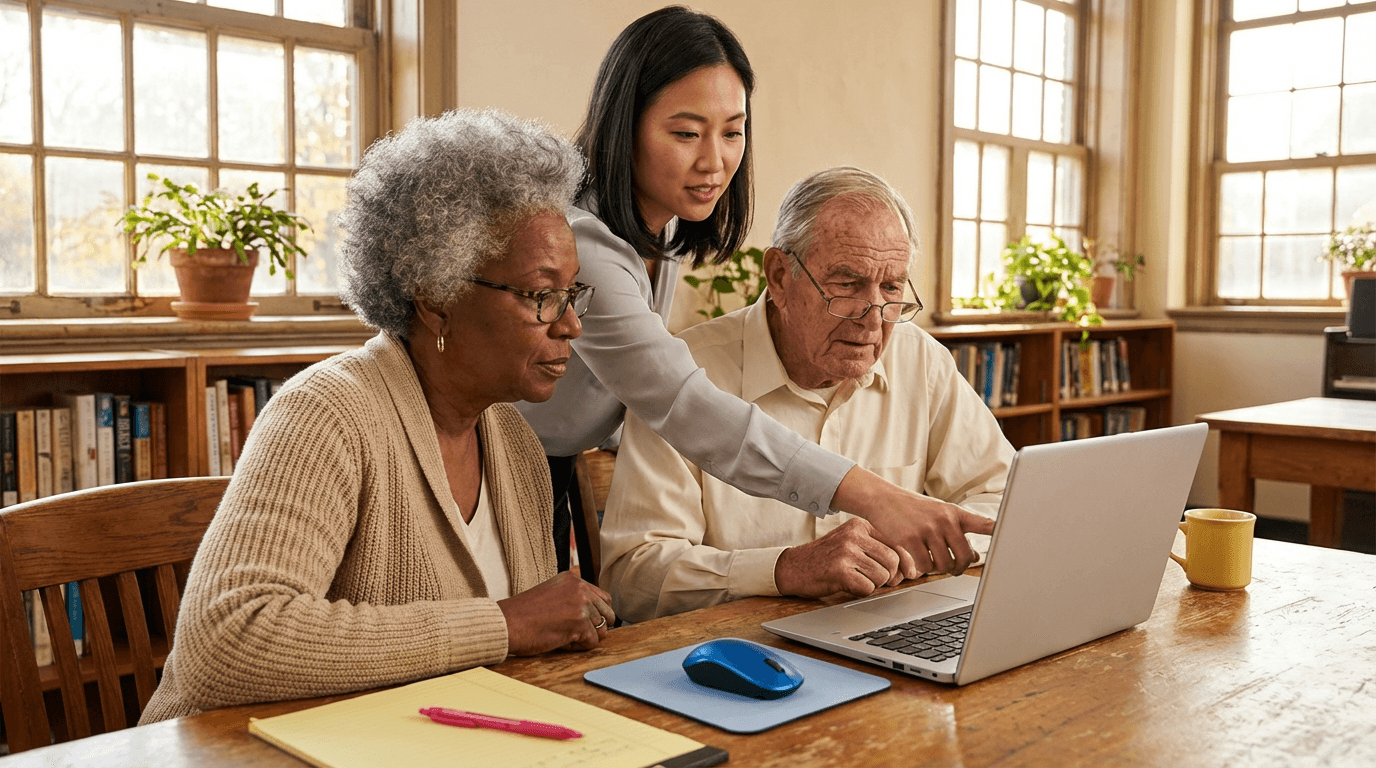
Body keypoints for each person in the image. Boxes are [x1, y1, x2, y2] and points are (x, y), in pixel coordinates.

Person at [140, 109, 615, 723]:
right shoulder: (326, 414)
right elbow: (230, 638)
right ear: (437, 298)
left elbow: (523, 654)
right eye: (541, 295)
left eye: (571, 293)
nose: (571, 324)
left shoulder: (515, 443)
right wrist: (503, 624)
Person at [516, 5, 993, 580]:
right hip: (508, 463)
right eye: (686, 133)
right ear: (626, 126)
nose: (714, 162)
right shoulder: (584, 247)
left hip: (554, 461)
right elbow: (682, 403)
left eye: (732, 132)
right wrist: (874, 496)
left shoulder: (661, 229)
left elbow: (620, 379)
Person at [599, 167, 1016, 622]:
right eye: (847, 284)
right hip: (740, 648)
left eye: (892, 287)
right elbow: (632, 578)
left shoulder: (921, 361)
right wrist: (786, 570)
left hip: (888, 628)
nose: (874, 319)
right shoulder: (681, 377)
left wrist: (911, 550)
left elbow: (1007, 502)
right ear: (779, 276)